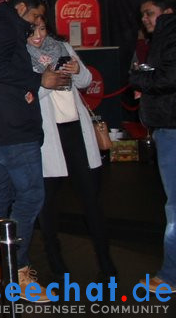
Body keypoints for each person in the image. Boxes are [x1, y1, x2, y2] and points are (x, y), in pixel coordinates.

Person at [0, 0, 66, 296]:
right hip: (14, 125)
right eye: (36, 15)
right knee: (29, 198)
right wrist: (39, 79)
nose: (36, 22)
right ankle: (19, 273)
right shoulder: (5, 25)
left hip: (2, 124)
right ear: (22, 7)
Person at [28, 17, 117, 280]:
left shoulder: (62, 47)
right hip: (48, 138)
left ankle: (106, 262)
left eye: (43, 29)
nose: (38, 36)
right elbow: (26, 95)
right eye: (32, 30)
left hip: (76, 132)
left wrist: (77, 70)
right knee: (47, 206)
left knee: (92, 200)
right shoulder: (20, 55)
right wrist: (46, 83)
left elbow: (86, 81)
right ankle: (56, 265)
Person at [130, 0, 176, 294]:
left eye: (150, 13)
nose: (146, 19)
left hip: (172, 128)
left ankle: (171, 276)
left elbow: (169, 76)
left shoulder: (169, 32)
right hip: (169, 126)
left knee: (175, 208)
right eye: (143, 15)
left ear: (167, 11)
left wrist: (139, 80)